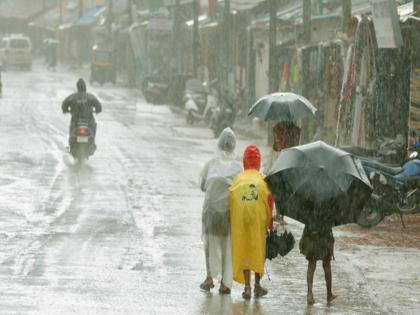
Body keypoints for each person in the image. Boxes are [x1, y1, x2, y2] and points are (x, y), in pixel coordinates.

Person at [199, 128, 243, 294]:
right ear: (233, 147)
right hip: (227, 212)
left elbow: (203, 186)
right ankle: (225, 283)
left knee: (209, 244)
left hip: (210, 211)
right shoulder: (238, 168)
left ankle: (209, 277)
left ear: (219, 144)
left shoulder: (211, 164)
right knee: (226, 245)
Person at [229, 144, 273, 299]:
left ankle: (247, 287)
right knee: (257, 250)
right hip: (257, 218)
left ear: (244, 161)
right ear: (258, 161)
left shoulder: (238, 179)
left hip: (241, 218)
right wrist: (270, 224)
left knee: (245, 250)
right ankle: (257, 286)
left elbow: (231, 200)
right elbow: (270, 201)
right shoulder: (263, 179)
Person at [265, 121, 301, 225]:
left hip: (280, 166)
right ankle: (280, 214)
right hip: (284, 166)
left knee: (279, 192)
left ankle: (279, 214)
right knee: (281, 192)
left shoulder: (280, 128)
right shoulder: (293, 130)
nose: (277, 138)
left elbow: (275, 150)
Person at [299, 219, 336, 305]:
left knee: (311, 265)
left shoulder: (308, 208)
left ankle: (309, 294)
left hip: (311, 234)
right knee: (327, 264)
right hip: (325, 235)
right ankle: (329, 294)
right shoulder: (329, 208)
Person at [62, 78, 102, 155]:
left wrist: (65, 110)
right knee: (94, 126)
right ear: (85, 87)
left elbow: (64, 104)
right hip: (89, 121)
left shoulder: (72, 97)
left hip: (75, 121)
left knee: (72, 131)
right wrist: (98, 110)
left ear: (77, 87)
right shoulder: (90, 97)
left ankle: (72, 145)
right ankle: (92, 142)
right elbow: (98, 105)